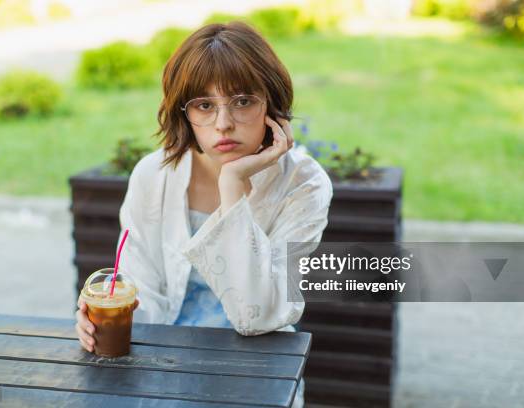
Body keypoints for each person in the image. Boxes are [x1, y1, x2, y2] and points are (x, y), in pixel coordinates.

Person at [75, 21, 333, 407]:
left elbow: (259, 314)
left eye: (243, 101)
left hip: (256, 369)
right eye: (204, 105)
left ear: (271, 103)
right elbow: (137, 288)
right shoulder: (154, 174)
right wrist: (100, 320)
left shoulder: (303, 184)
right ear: (185, 112)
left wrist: (232, 187)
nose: (223, 123)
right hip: (159, 361)